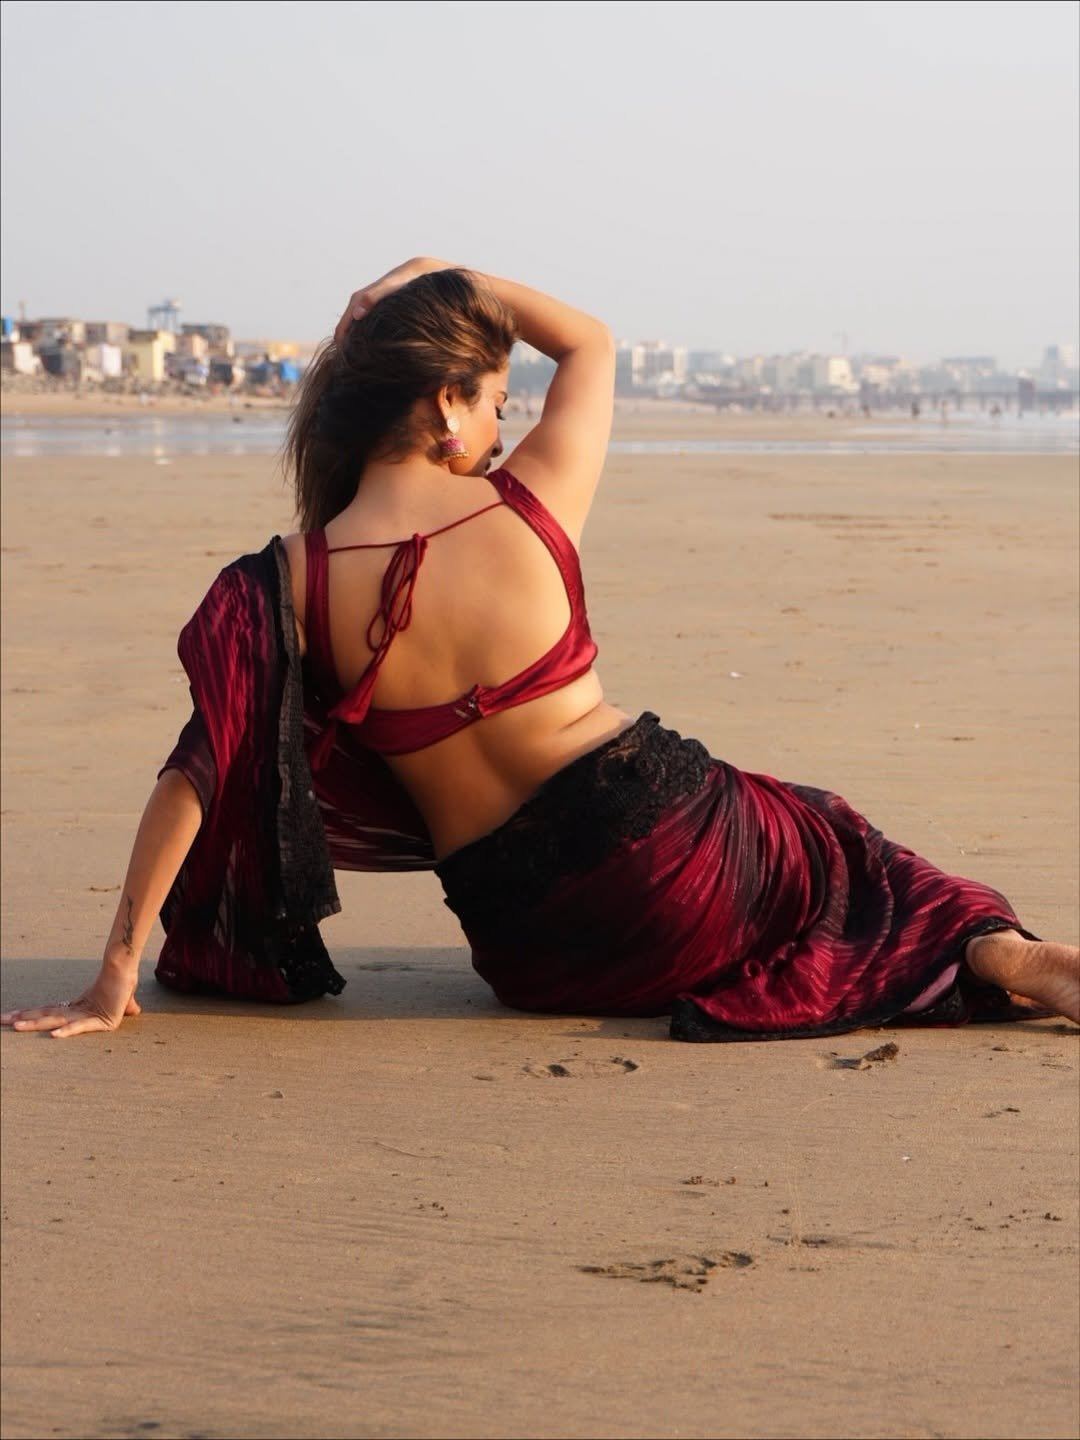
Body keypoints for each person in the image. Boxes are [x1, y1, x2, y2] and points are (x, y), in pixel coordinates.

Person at [3, 257, 1077, 1041]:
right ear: (445, 402)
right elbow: (591, 341)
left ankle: (995, 961)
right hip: (671, 850)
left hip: (531, 944)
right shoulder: (531, 505)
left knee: (819, 865)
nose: (506, 429)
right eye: (494, 402)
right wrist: (450, 273)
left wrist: (113, 975)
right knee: (842, 854)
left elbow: (195, 773)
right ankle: (1003, 955)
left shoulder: (285, 579)